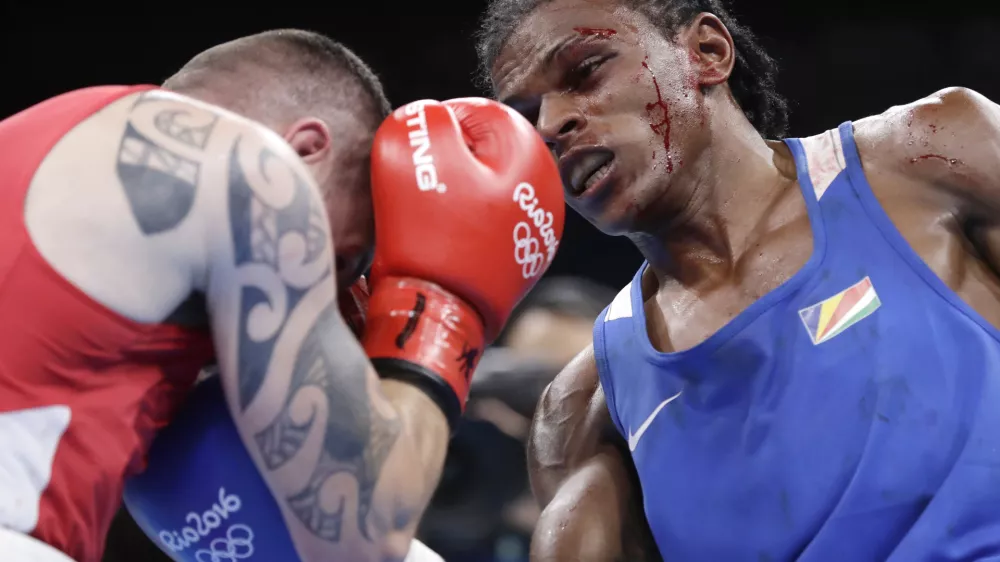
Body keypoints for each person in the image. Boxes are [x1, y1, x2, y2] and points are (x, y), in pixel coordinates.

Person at [0, 27, 564, 562]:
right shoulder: (258, 174)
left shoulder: (42, 136)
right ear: (305, 148)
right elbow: (373, 522)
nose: (331, 290)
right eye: (343, 259)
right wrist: (442, 306)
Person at [476, 0, 1000, 560]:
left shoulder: (930, 157)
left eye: (585, 71)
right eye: (527, 116)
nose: (551, 124)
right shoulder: (586, 413)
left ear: (707, 52)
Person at [417, 277, 615, 561]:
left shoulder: (659, 534)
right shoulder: (441, 505)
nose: (542, 423)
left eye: (573, 395)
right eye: (523, 391)